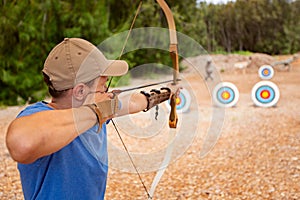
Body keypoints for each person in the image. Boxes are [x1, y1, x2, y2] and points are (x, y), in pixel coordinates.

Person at [6, 38, 178, 199]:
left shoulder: (96, 110)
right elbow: (22, 143)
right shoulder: (39, 116)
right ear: (80, 91)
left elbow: (131, 102)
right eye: (103, 85)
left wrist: (167, 92)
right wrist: (96, 111)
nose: (107, 90)